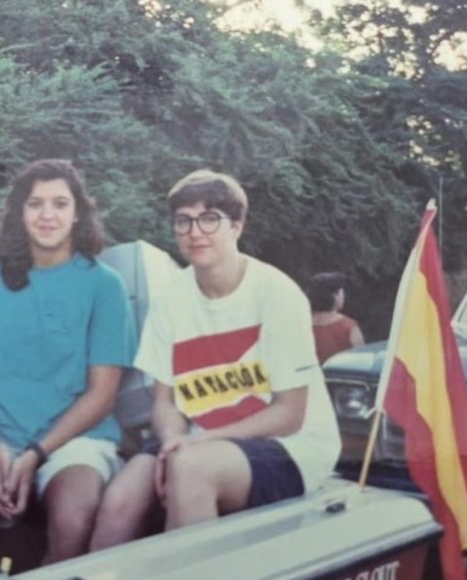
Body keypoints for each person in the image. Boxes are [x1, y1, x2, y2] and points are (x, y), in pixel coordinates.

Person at [89, 169, 341, 549]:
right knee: (119, 500)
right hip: (200, 438)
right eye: (184, 221)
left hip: (292, 445)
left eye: (210, 218)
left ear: (236, 226)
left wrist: (195, 445)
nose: (195, 231)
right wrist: (174, 439)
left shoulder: (276, 293)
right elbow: (164, 402)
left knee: (190, 470)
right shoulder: (171, 300)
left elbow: (290, 414)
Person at [0, 159, 137, 569]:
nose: (47, 215)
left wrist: (35, 454)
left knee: (73, 520)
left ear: (77, 214)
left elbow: (102, 394)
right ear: (20, 212)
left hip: (75, 440)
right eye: (35, 204)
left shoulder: (105, 285)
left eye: (59, 203)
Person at [307, 271, 365, 364]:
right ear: (334, 296)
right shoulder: (349, 327)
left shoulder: (303, 325)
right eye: (342, 293)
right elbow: (361, 361)